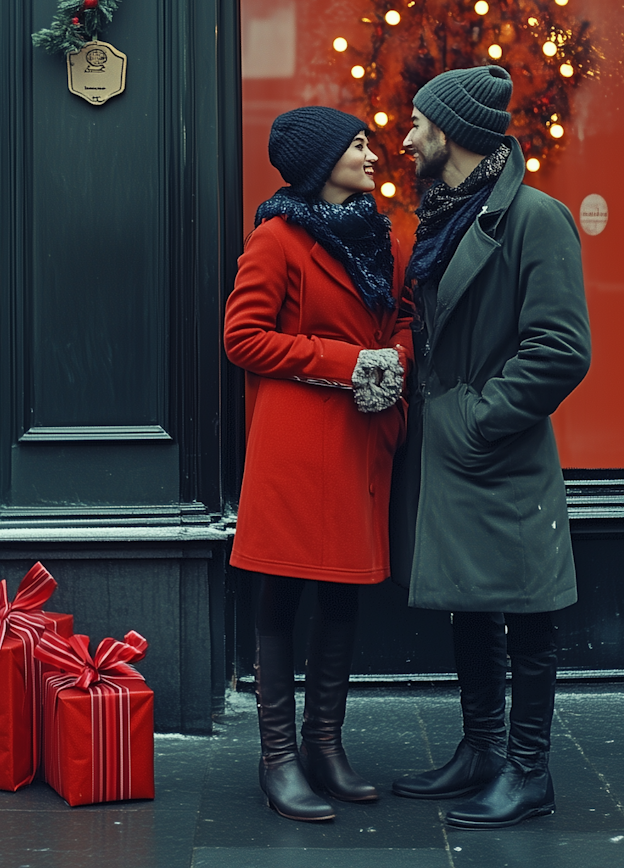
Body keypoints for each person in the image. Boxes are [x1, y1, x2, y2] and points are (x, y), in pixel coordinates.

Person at [388, 65, 592, 829]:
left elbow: (562, 348)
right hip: (451, 448)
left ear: (450, 135)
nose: (405, 137)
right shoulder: (444, 218)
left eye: (417, 123)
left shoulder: (537, 218)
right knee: (468, 604)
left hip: (496, 448)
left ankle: (529, 771)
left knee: (527, 612)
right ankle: (480, 749)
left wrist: (479, 417)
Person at [224, 106, 414, 823]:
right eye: (359, 144)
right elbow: (242, 337)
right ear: (321, 160)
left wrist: (395, 360)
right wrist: (346, 363)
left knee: (345, 587)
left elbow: (404, 318)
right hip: (298, 440)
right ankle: (278, 759)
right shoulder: (278, 238)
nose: (373, 155)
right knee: (283, 590)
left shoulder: (380, 238)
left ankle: (325, 744)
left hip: (363, 438)